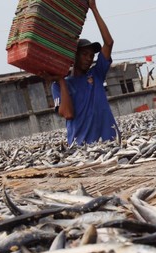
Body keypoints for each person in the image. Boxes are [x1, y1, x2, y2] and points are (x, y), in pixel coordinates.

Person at [49, 0, 119, 146]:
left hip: (111, 142)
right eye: (84, 54)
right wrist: (61, 81)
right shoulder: (58, 85)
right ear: (74, 55)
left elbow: (109, 43)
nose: (89, 59)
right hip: (81, 148)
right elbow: (68, 114)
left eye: (91, 56)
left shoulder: (96, 74)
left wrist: (94, 9)